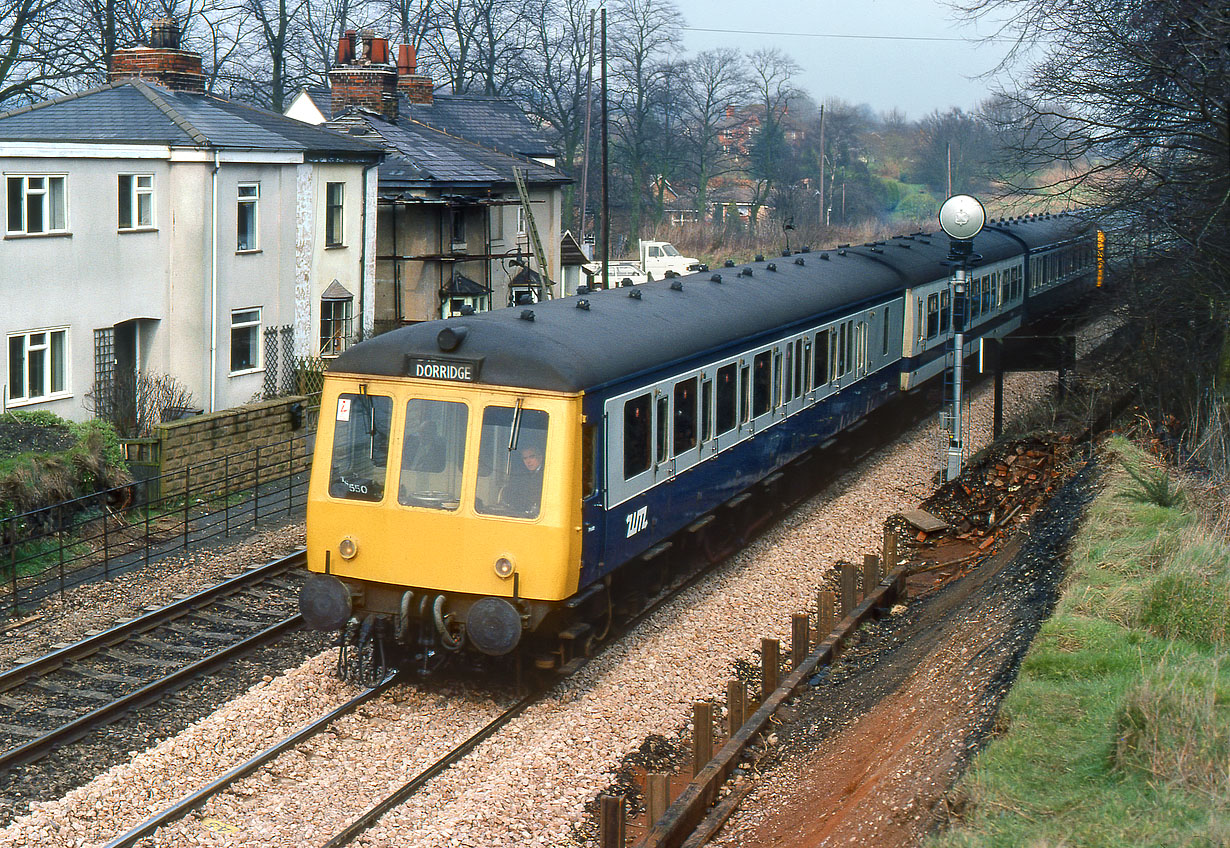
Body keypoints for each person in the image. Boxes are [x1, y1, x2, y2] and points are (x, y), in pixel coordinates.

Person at [502, 444, 545, 516]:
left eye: (531, 457)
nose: (528, 461)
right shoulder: (522, 475)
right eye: (525, 458)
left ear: (540, 457)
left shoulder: (546, 474)